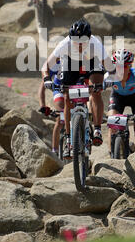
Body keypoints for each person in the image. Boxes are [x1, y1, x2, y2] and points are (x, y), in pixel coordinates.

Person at [42, 18, 112, 158]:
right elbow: (46, 66)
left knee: (96, 91)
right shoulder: (65, 44)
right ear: (70, 39)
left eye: (83, 42)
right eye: (76, 42)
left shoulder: (95, 44)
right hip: (70, 64)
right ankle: (69, 139)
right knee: (67, 96)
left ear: (89, 38)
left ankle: (97, 129)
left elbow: (110, 67)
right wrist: (46, 79)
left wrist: (108, 80)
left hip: (91, 63)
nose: (79, 45)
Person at [38, 61, 64, 154]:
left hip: (73, 88)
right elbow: (42, 88)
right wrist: (43, 105)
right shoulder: (57, 64)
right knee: (60, 119)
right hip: (59, 90)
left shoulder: (79, 59)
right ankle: (55, 150)